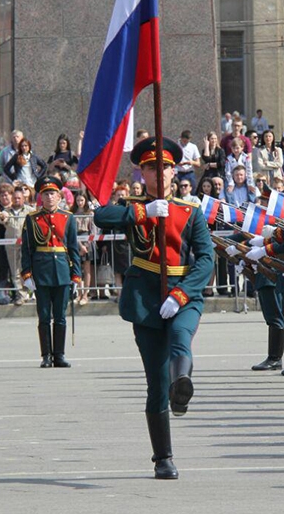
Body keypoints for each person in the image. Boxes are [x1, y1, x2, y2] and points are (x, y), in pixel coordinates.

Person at [94, 136, 213, 480]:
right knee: (155, 383)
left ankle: (183, 386)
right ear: (141, 172)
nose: (159, 173)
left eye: (164, 167)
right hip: (145, 298)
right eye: (151, 168)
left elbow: (206, 259)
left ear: (175, 170)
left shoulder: (191, 211)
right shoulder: (133, 205)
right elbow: (102, 216)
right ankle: (163, 457)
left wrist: (180, 294)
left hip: (183, 292)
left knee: (180, 335)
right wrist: (143, 212)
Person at [20, 177, 81, 368]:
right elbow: (27, 249)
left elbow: (73, 248)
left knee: (60, 316)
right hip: (41, 270)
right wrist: (27, 274)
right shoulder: (32, 219)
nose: (49, 197)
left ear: (59, 196)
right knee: (44, 315)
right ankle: (46, 355)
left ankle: (59, 354)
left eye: (52, 193)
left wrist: (76, 275)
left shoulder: (68, 217)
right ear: (40, 197)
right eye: (45, 194)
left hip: (62, 270)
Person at [0, 187, 35, 305]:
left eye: (19, 198)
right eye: (14, 198)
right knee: (15, 271)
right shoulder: (7, 211)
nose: (16, 200)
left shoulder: (30, 211)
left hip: (27, 244)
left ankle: (31, 292)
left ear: (24, 198)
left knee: (27, 269)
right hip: (11, 245)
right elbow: (1, 218)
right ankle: (21, 295)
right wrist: (2, 216)